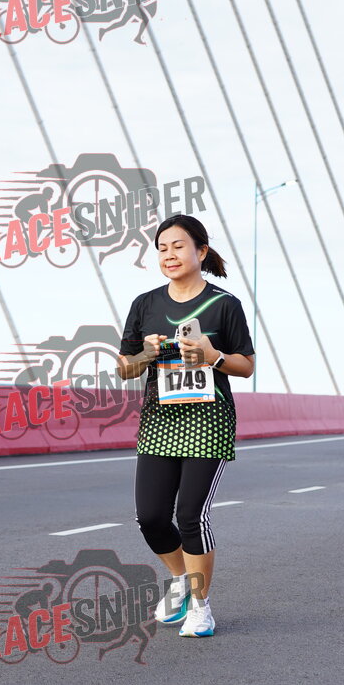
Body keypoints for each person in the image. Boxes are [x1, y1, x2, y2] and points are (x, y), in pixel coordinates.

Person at [117, 214, 255, 638]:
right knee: (151, 517)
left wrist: (213, 357)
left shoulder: (224, 304)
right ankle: (180, 578)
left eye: (178, 246)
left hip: (209, 420)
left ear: (201, 251)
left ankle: (200, 606)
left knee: (191, 515)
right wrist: (145, 354)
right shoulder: (145, 304)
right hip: (160, 421)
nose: (169, 255)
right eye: (162, 249)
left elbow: (246, 366)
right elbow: (125, 368)